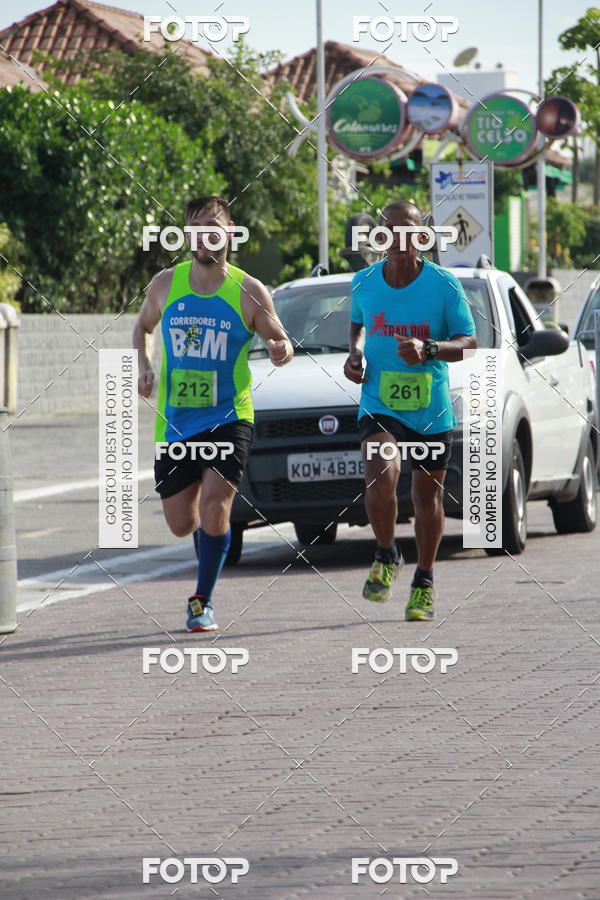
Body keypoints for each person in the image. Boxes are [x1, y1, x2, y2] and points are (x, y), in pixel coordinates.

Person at [134, 196, 293, 631]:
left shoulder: (249, 290)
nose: (205, 235)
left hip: (230, 417)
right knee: (180, 523)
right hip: (176, 421)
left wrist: (280, 349)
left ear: (230, 232)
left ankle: (201, 601)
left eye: (213, 226)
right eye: (196, 227)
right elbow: (142, 326)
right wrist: (144, 365)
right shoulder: (166, 284)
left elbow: (281, 340)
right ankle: (206, 547)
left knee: (214, 506)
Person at [344, 200, 477, 621]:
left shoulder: (444, 285)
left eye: (409, 230)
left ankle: (424, 579)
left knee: (426, 498)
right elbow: (358, 322)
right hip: (380, 401)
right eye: (390, 229)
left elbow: (469, 342)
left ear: (422, 236)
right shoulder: (364, 282)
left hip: (429, 407)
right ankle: (386, 552)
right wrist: (354, 353)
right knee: (380, 472)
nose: (399, 238)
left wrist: (430, 348)